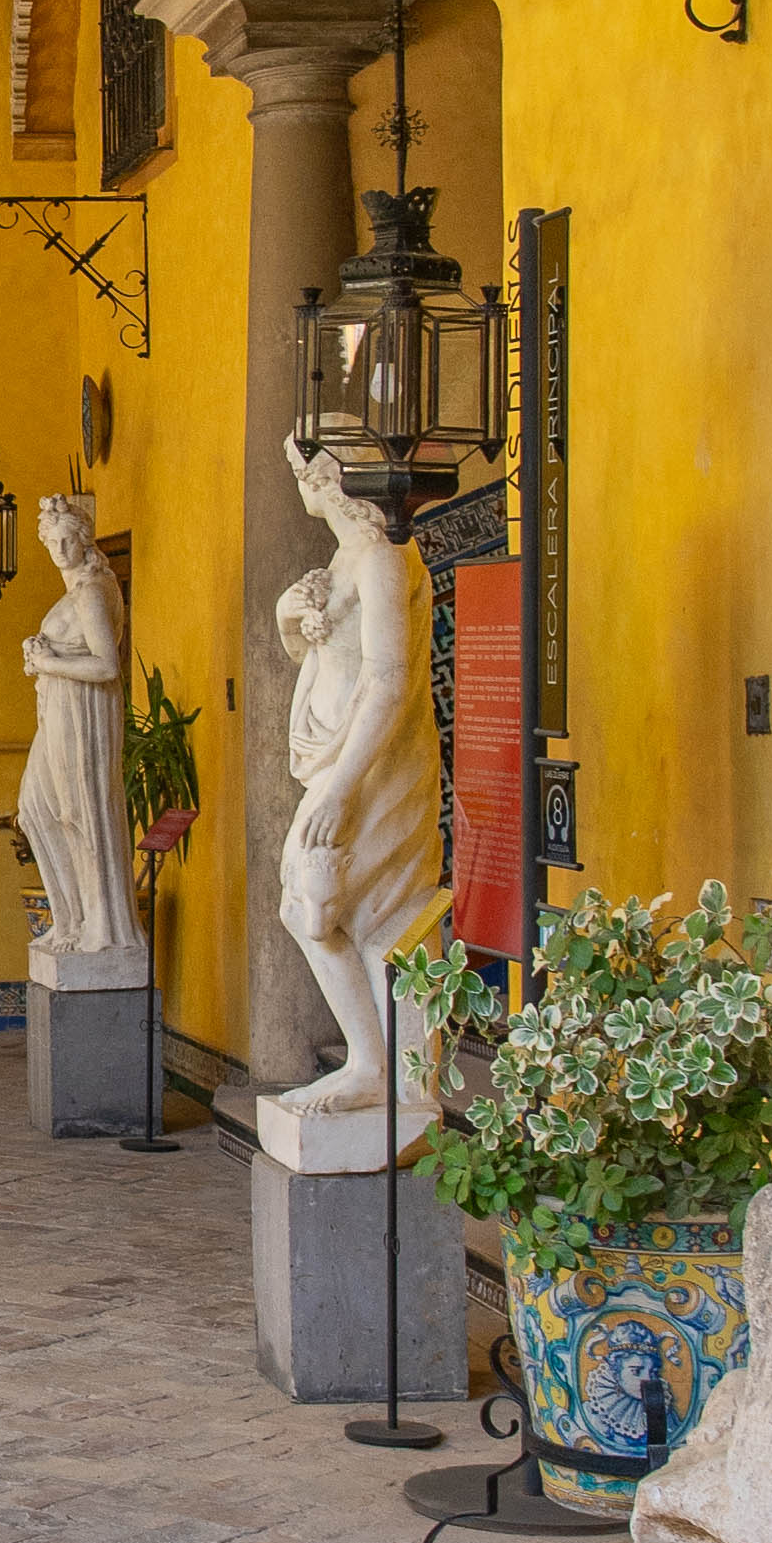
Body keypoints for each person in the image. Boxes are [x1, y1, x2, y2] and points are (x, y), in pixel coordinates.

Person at [270, 429, 444, 1111]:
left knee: (365, 915)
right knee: (314, 910)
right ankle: (376, 1066)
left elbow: (388, 682)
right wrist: (292, 618)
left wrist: (342, 786)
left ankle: (392, 1076)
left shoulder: (381, 558)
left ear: (329, 478)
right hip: (336, 762)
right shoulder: (346, 559)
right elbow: (318, 655)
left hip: (372, 769)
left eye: (303, 470)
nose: (299, 484)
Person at [15, 491, 144, 960]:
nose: (60, 551)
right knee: (36, 809)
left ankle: (103, 928)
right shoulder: (74, 590)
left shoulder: (91, 589)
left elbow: (108, 667)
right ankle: (69, 918)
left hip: (82, 712)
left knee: (82, 815)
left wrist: (48, 662)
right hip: (57, 709)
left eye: (67, 540)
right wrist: (42, 657)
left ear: (83, 539)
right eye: (52, 541)